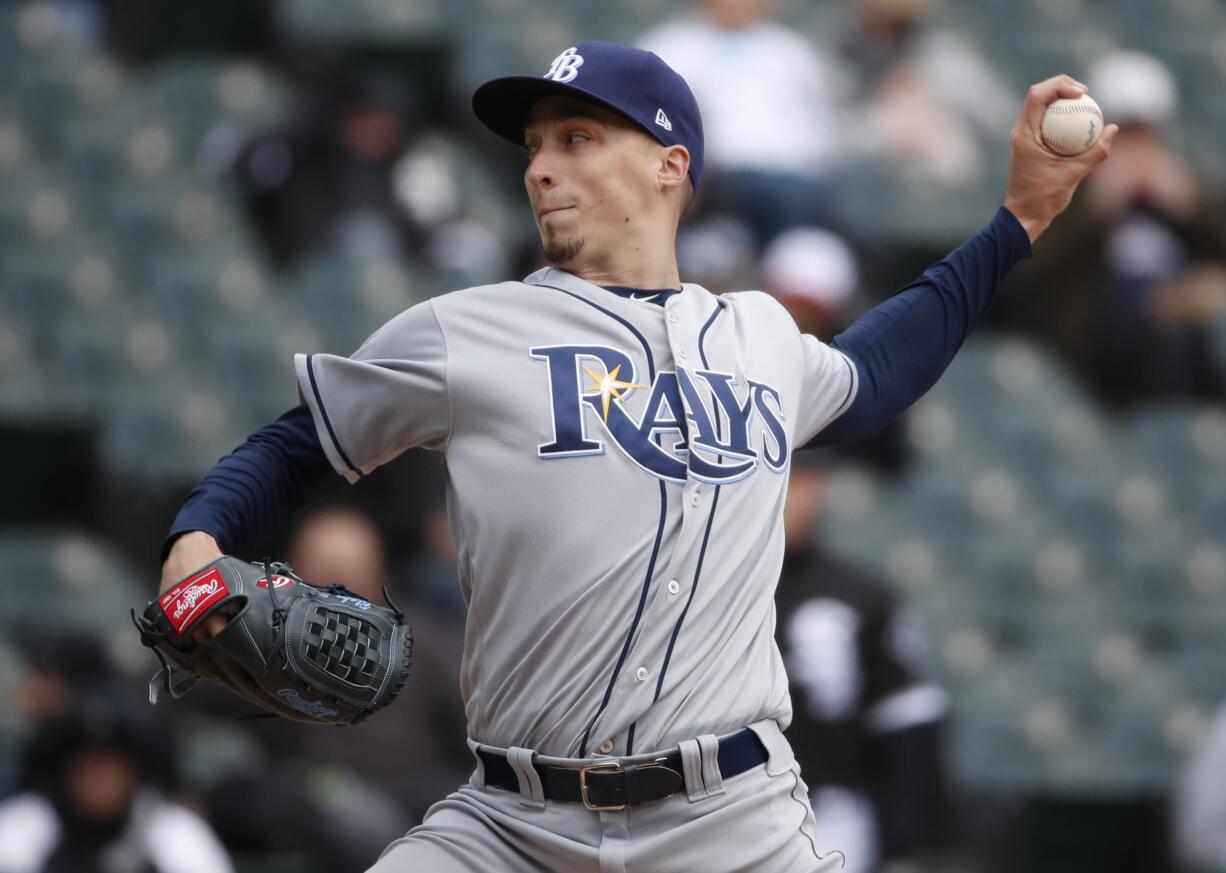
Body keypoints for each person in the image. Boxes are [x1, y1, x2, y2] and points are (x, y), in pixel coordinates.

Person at [155, 40, 1116, 872]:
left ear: (669, 164)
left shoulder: (760, 336)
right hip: (513, 821)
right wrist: (199, 533)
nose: (540, 168)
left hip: (733, 819)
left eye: (577, 139)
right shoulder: (467, 331)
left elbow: (877, 367)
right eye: (534, 147)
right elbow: (296, 444)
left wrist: (1017, 222)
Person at [776, 457, 946, 873]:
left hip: (828, 812)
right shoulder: (708, 593)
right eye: (786, 479)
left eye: (805, 480)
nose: (795, 496)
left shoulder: (859, 594)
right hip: (718, 812)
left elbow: (904, 723)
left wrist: (901, 843)